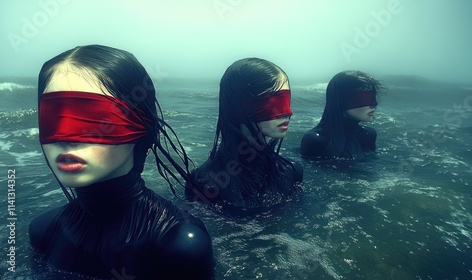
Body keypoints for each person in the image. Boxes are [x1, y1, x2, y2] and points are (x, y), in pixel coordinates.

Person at [29, 44, 214, 279]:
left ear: (140, 124)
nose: (65, 137)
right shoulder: (42, 230)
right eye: (52, 118)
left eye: (93, 117)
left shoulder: (181, 244)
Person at [186, 58, 303, 210]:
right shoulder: (203, 183)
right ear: (239, 107)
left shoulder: (292, 172)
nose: (288, 113)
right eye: (275, 102)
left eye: (287, 99)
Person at [300, 70, 384, 160]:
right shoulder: (316, 141)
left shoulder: (369, 135)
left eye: (373, 96)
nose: (374, 104)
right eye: (364, 97)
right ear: (342, 100)